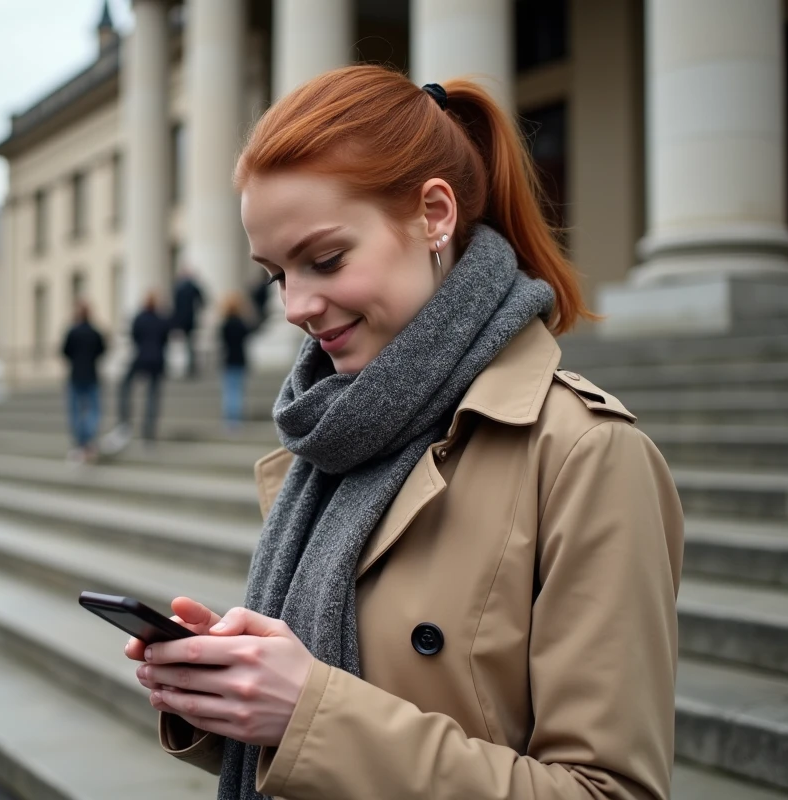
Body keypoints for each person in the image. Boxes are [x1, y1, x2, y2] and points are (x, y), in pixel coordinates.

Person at [125, 67, 683, 800]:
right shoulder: (335, 439)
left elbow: (607, 791)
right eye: (274, 275)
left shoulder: (587, 457)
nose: (294, 305)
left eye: (324, 260)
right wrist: (228, 699)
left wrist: (308, 715)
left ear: (434, 213)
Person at [110, 291, 171, 448]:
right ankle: (148, 433)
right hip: (157, 360)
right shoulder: (161, 320)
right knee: (152, 396)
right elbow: (165, 339)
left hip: (142, 357)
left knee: (125, 386)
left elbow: (134, 336)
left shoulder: (140, 319)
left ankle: (125, 421)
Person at [62, 300, 106, 462]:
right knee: (93, 411)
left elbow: (65, 351)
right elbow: (102, 350)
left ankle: (81, 443)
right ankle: (88, 442)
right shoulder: (95, 332)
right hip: (92, 375)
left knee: (76, 412)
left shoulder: (72, 332)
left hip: (76, 375)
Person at [218, 292, 252, 431]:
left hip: (228, 359)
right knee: (237, 390)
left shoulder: (224, 325)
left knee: (229, 391)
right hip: (239, 359)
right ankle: (236, 419)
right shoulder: (241, 324)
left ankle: (229, 419)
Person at [171, 267, 206, 379]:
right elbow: (202, 300)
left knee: (187, 344)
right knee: (188, 344)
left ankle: (189, 367)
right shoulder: (188, 287)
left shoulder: (180, 287)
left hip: (184, 320)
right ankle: (189, 367)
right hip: (188, 319)